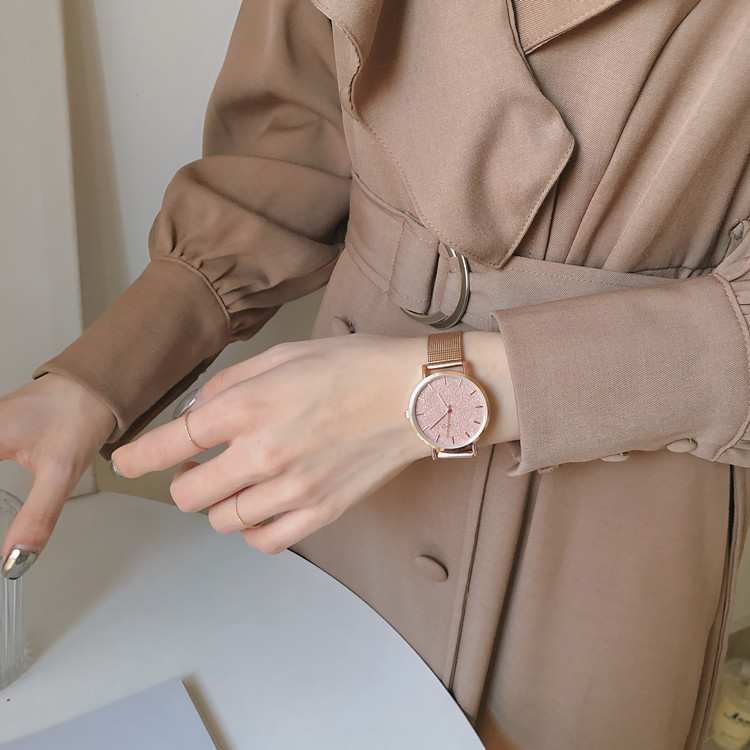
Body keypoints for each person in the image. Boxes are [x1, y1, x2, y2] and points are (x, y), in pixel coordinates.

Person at [2, 1, 749, 747]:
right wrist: (94, 380)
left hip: (613, 498)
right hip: (328, 473)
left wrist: (433, 396)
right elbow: (292, 147)